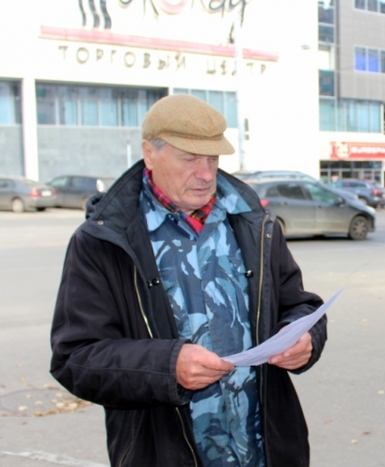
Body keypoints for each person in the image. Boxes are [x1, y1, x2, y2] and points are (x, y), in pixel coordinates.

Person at [50, 94, 327, 467]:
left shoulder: (252, 223)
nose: (206, 173)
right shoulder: (103, 241)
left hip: (266, 450)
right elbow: (75, 357)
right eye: (189, 158)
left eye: (212, 159)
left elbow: (300, 305)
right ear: (149, 153)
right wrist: (167, 366)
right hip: (165, 452)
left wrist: (304, 338)